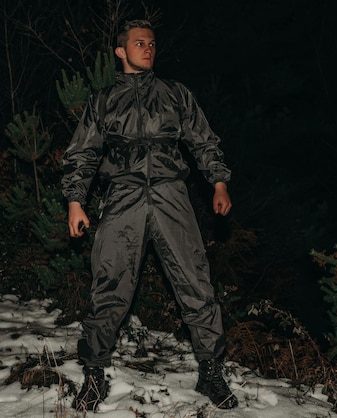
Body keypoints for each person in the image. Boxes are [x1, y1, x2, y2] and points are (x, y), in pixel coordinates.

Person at [61, 19, 238, 411]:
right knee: (110, 283)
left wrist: (219, 182)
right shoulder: (103, 100)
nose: (148, 48)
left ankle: (210, 371)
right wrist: (76, 200)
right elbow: (83, 153)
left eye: (153, 43)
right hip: (123, 196)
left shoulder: (175, 94)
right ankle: (93, 374)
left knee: (195, 280)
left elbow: (203, 139)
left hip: (171, 195)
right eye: (139, 43)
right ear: (120, 51)